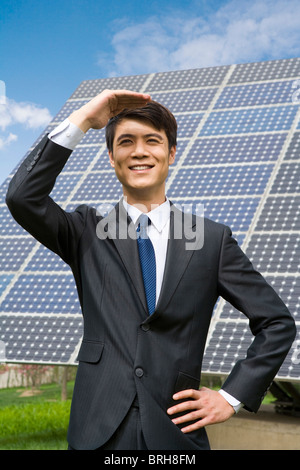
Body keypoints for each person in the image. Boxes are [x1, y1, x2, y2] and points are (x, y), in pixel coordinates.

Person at [6, 90, 296, 450]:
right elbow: (22, 198)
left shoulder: (211, 240)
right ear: (112, 157)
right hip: (97, 430)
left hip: (176, 432)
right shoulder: (84, 231)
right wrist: (84, 119)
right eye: (126, 142)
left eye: (152, 141)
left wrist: (231, 396)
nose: (140, 151)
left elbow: (277, 323)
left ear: (171, 153)